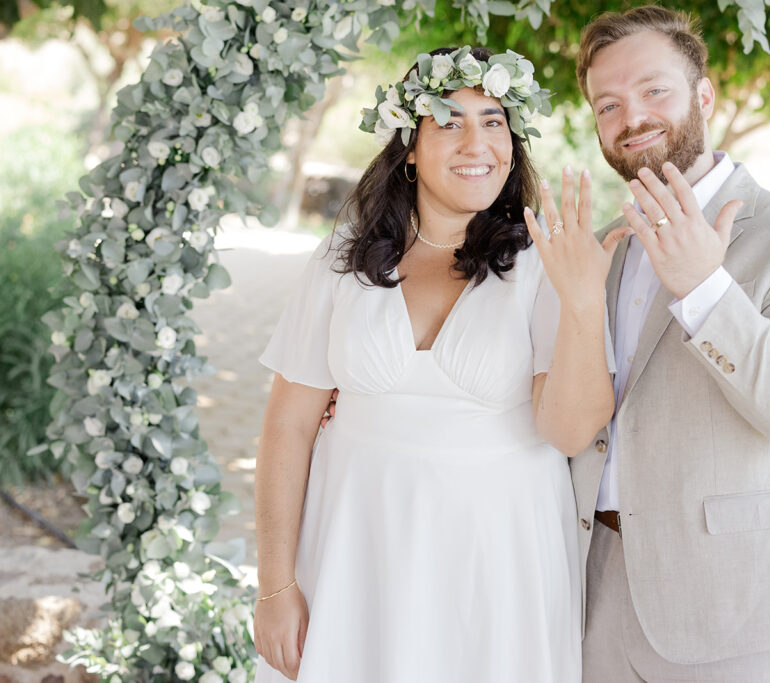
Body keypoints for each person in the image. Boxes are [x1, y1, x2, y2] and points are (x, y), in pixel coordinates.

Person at [252, 46, 624, 683]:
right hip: (358, 546)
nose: (476, 142)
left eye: (494, 121)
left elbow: (569, 431)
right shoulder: (344, 258)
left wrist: (585, 302)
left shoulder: (542, 263)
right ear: (410, 148)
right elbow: (286, 427)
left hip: (497, 559)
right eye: (449, 121)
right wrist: (276, 587)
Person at [569, 7, 770, 682]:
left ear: (704, 96)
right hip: (595, 591)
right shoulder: (607, 245)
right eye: (607, 103)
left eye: (654, 91)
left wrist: (706, 290)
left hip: (733, 606)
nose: (631, 117)